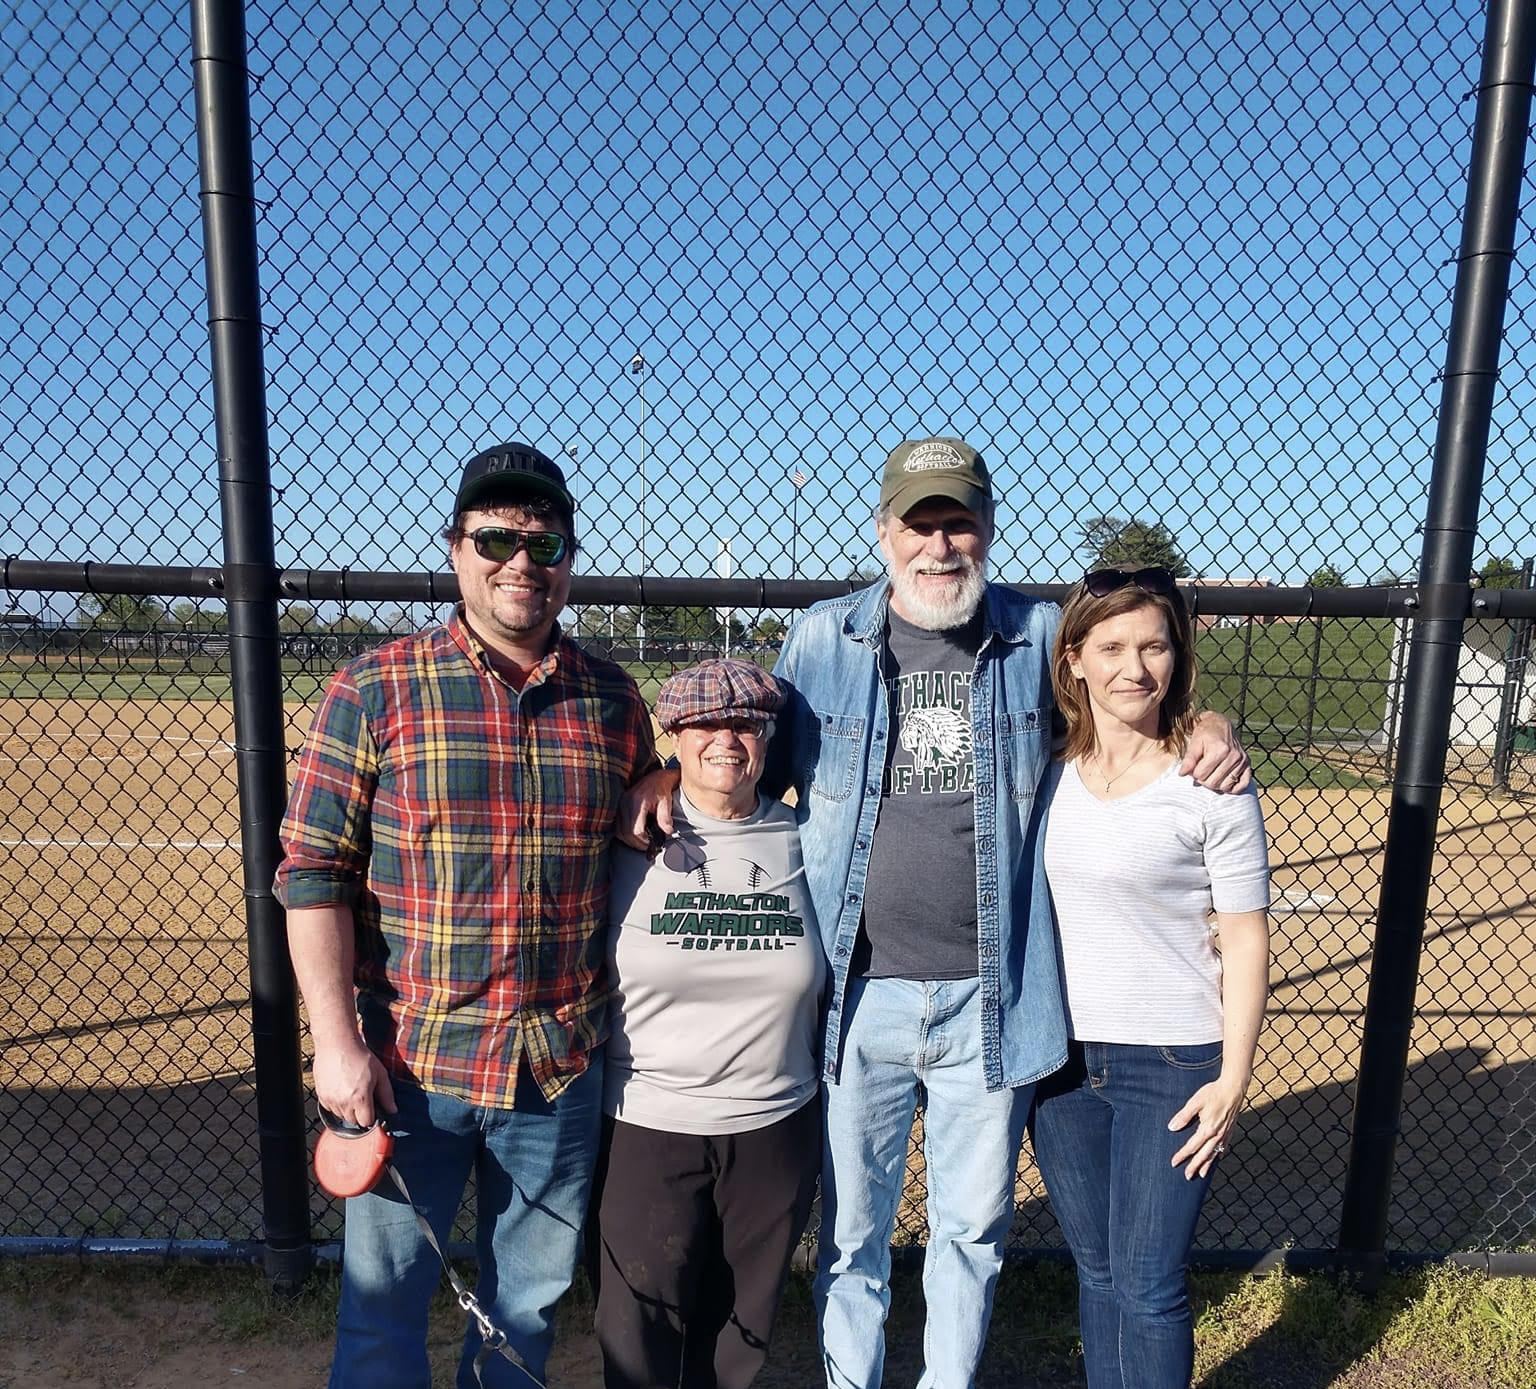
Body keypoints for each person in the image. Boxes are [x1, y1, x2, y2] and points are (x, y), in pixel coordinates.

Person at [621, 437, 1249, 1388]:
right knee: (854, 1237)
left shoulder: (1036, 637)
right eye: (920, 524)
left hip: (989, 999)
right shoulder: (824, 640)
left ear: (988, 531)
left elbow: (1125, 688)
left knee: (970, 1231)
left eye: (959, 522)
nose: (940, 545)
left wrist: (1206, 722)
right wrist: (671, 766)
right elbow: (748, 759)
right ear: (885, 533)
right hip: (858, 992)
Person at [275, 442, 657, 1388]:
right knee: (382, 1310)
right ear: (457, 550)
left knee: (522, 1312)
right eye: (496, 537)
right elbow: (313, 873)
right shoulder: (376, 688)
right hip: (413, 1064)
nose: (522, 559)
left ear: (568, 558)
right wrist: (334, 1042)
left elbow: (643, 821)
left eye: (545, 541)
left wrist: (664, 773)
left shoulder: (611, 699)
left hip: (558, 1068)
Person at [1032, 566, 1270, 1388]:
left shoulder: (1211, 782)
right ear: (1073, 660)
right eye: (1112, 646)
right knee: (1096, 1271)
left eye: (1155, 645)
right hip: (1058, 1060)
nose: (1135, 667)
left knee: (1148, 1280)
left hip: (1171, 1059)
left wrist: (1234, 1077)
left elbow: (1244, 937)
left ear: (1179, 655)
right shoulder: (1041, 769)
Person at [588, 658, 824, 1389]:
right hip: (648, 1119)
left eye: (747, 723)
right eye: (705, 723)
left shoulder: (808, 835)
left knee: (739, 1332)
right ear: (674, 735)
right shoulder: (627, 832)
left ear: (768, 735)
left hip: (775, 1120)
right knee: (640, 1329)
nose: (728, 737)